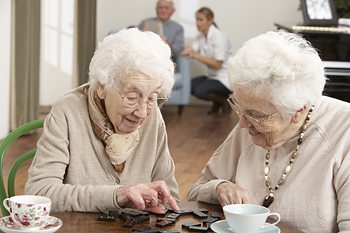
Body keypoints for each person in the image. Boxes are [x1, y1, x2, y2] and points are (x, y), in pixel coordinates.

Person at [187, 30, 350, 232]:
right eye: (239, 108)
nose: (243, 124)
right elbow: (195, 192)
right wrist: (219, 187)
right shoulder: (248, 126)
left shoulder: (344, 131)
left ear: (298, 111)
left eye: (257, 115)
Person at [25, 28, 179, 214]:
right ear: (101, 88)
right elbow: (40, 193)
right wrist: (117, 195)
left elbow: (170, 196)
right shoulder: (68, 111)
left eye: (152, 97)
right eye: (131, 97)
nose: (142, 113)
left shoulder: (152, 114)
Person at [181, 7, 232, 115]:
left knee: (200, 90)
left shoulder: (219, 37)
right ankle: (218, 102)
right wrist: (186, 50)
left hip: (224, 79)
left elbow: (217, 64)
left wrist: (195, 55)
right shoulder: (201, 36)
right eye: (196, 19)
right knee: (187, 85)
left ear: (210, 21)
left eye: (201, 20)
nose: (197, 23)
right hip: (211, 77)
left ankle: (224, 101)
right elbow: (191, 49)